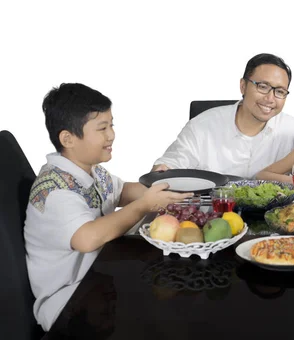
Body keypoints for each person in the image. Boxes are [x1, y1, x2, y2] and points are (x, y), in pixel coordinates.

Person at [23, 83, 192, 331]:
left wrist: (161, 187)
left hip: (99, 278)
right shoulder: (54, 191)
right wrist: (145, 204)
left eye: (111, 125)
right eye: (102, 128)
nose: (111, 135)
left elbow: (122, 191)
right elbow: (87, 238)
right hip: (68, 300)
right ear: (67, 138)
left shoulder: (91, 170)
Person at [152, 53, 294, 178]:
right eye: (263, 87)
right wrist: (163, 172)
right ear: (243, 86)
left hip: (273, 217)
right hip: (211, 215)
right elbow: (168, 167)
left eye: (280, 92)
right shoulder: (202, 126)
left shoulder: (293, 131)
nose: (270, 99)